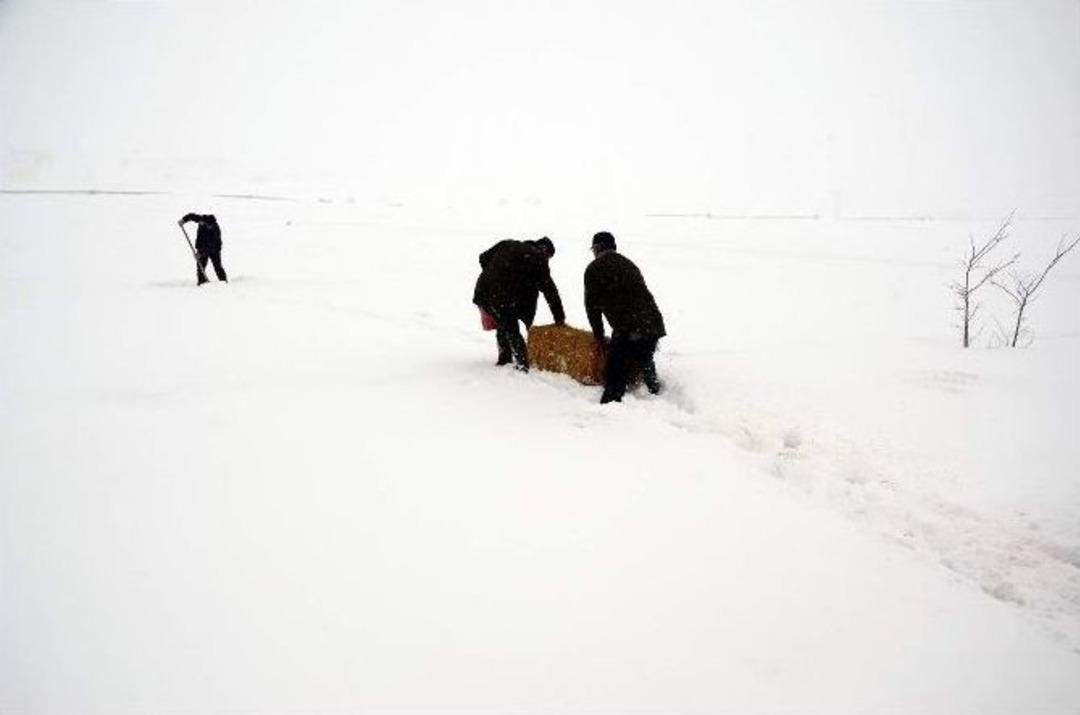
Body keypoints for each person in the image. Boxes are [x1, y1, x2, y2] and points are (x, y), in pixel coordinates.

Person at [584, 231, 665, 403]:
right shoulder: (629, 264)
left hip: (629, 328)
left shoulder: (594, 269)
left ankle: (611, 412)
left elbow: (592, 307)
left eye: (594, 249)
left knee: (614, 374)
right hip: (653, 324)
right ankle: (656, 393)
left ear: (597, 248)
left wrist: (598, 336)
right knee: (644, 358)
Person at [472, 237, 565, 371]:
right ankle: (522, 364)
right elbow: (550, 291)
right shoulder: (538, 259)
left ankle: (505, 358)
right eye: (548, 257)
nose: (547, 260)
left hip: (484, 290)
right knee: (511, 326)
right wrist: (559, 317)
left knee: (503, 322)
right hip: (502, 293)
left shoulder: (508, 244)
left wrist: (494, 273)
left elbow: (483, 258)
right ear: (545, 251)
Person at [178, 213, 227, 285]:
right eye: (201, 223)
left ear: (210, 225)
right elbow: (191, 216)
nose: (200, 224)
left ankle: (223, 281)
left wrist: (200, 253)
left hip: (215, 250)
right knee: (200, 266)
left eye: (203, 224)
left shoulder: (215, 230)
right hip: (202, 247)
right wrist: (183, 220)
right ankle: (202, 282)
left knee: (217, 266)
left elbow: (211, 245)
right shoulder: (202, 219)